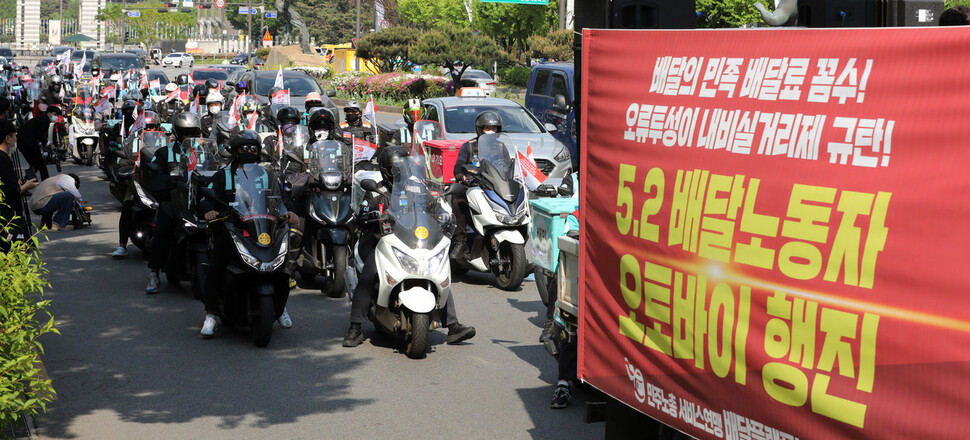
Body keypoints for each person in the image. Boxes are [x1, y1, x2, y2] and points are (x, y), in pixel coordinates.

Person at [342, 145, 476, 347]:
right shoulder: (377, 191)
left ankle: (453, 325)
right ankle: (355, 327)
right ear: (386, 170)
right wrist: (368, 217)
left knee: (439, 274)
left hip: (415, 242)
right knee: (369, 275)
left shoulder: (417, 188)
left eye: (403, 168)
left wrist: (442, 214)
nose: (400, 172)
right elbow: (361, 215)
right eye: (395, 169)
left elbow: (435, 207)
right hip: (381, 242)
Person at [199, 130, 300, 337]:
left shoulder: (267, 175)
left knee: (283, 268)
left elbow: (281, 197)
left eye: (253, 148)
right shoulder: (222, 175)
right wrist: (209, 210)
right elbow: (207, 199)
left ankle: (279, 307)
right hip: (230, 229)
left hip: (263, 228)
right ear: (235, 151)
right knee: (216, 266)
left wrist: (290, 211)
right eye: (245, 148)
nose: (249, 152)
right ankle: (211, 314)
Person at [144, 112, 200, 293]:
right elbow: (154, 176)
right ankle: (154, 274)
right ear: (176, 133)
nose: (189, 137)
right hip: (173, 200)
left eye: (193, 133)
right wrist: (170, 183)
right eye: (185, 133)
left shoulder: (204, 152)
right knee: (163, 228)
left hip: (198, 201)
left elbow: (215, 170)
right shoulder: (163, 153)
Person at [449, 110, 503, 259]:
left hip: (495, 188)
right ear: (480, 130)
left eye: (494, 129)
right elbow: (459, 164)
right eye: (487, 129)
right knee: (458, 200)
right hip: (473, 187)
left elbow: (508, 165)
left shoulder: (501, 147)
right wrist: (461, 175)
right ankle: (461, 241)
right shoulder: (469, 146)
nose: (491, 132)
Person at [112, 111, 162, 259]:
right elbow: (123, 161)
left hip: (159, 182)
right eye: (146, 127)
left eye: (152, 127)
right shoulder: (133, 142)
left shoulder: (165, 141)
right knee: (127, 206)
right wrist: (130, 166)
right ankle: (122, 246)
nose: (149, 130)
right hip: (138, 183)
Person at [0, 119, 39, 250]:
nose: (16, 140)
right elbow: (9, 192)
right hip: (7, 217)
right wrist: (26, 186)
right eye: (14, 136)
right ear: (7, 139)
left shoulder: (5, 158)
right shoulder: (3, 160)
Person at [17, 104, 61, 181]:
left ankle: (25, 184)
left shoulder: (41, 119)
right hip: (27, 143)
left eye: (57, 115)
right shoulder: (46, 120)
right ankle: (46, 184)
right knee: (41, 165)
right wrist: (48, 144)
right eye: (54, 114)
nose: (56, 117)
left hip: (23, 142)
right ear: (49, 113)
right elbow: (40, 135)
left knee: (35, 165)